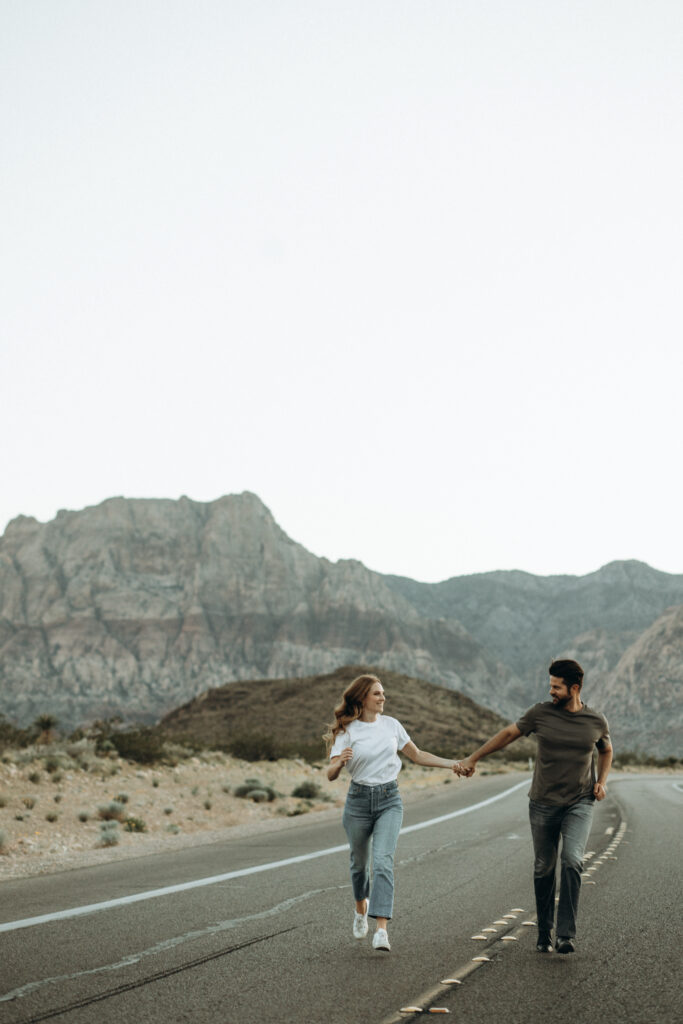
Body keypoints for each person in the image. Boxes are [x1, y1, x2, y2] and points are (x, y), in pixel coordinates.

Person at [459, 659, 612, 955]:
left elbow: (606, 750)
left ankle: (566, 935)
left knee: (572, 861)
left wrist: (602, 781)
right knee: (544, 867)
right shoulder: (540, 714)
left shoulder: (596, 721)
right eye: (550, 685)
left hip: (580, 802)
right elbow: (507, 735)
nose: (551, 691)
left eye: (556, 686)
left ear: (575, 688)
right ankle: (545, 929)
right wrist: (473, 758)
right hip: (543, 803)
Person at [325, 673, 464, 952]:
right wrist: (339, 763)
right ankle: (360, 910)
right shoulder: (346, 731)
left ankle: (381, 930)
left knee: (383, 862)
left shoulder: (392, 725)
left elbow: (418, 755)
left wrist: (453, 764)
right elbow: (330, 774)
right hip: (358, 803)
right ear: (363, 698)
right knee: (358, 866)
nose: (383, 698)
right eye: (377, 694)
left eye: (383, 693)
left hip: (390, 799)